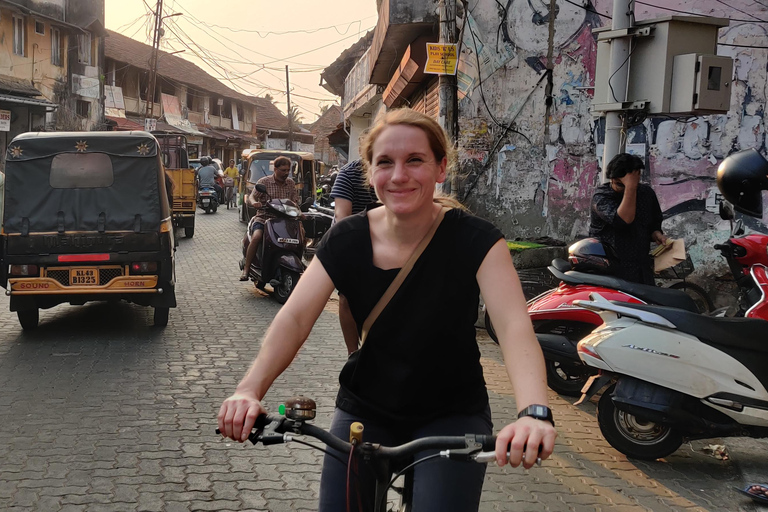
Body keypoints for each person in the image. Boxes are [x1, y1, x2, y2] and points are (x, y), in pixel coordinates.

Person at [219, 108, 557, 511]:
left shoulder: (477, 240)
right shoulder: (346, 237)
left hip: (452, 412)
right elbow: (294, 318)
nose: (399, 175)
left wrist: (533, 412)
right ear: (370, 171)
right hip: (367, 407)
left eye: (415, 160)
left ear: (440, 168)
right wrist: (248, 389)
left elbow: (514, 326)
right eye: (385, 162)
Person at [589, 153, 668, 285]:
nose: (624, 188)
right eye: (620, 184)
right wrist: (631, 187)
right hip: (611, 273)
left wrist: (656, 234)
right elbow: (624, 220)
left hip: (640, 271)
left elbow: (653, 224)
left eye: (630, 184)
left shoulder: (646, 193)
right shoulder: (602, 197)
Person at [330, 159, 379, 355]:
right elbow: (343, 216)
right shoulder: (348, 173)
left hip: (390, 241)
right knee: (346, 297)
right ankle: (352, 353)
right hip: (353, 240)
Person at [239, 156, 299, 281]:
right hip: (264, 218)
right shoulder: (264, 182)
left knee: (300, 237)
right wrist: (255, 203)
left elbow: (294, 202)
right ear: (275, 169)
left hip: (285, 220)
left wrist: (299, 212)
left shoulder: (291, 183)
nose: (286, 173)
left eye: (288, 170)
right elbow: (252, 197)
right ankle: (247, 268)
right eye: (283, 170)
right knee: (256, 237)